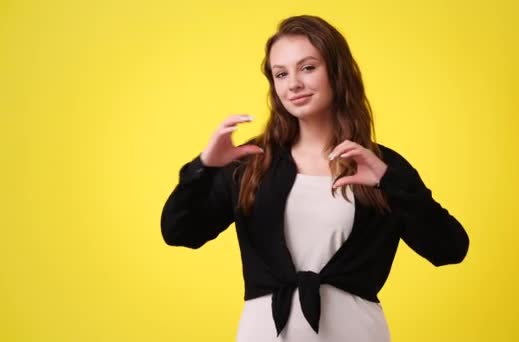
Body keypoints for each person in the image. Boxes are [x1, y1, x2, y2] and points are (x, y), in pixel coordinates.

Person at [161, 15, 469, 342]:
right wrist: (204, 167)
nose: (293, 83)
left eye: (307, 68)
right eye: (281, 74)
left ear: (337, 72)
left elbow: (449, 248)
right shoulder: (251, 162)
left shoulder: (379, 165)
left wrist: (389, 182)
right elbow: (180, 232)